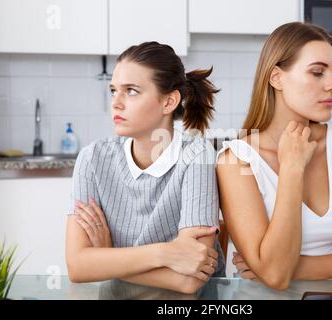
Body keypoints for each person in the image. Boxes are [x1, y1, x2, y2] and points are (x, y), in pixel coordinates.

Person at [216, 22, 332, 290]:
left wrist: (291, 267)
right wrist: (291, 168)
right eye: (317, 72)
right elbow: (275, 280)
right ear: (276, 78)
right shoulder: (236, 160)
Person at [66, 41, 225, 294]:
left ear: (169, 102)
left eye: (131, 91)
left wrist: (108, 258)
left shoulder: (196, 155)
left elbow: (190, 281)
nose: (116, 103)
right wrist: (166, 253)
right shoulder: (92, 158)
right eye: (113, 90)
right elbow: (77, 267)